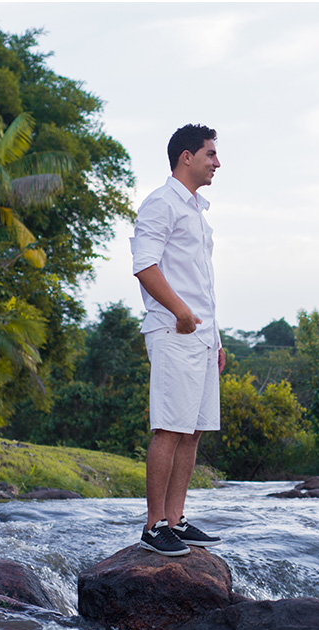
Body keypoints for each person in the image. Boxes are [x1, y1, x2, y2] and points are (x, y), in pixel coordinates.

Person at [130, 124, 226, 556]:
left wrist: (217, 338)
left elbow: (201, 282)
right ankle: (153, 527)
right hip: (173, 331)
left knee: (192, 432)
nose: (217, 163)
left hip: (203, 338)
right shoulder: (160, 204)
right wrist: (181, 313)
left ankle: (176, 520)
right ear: (186, 157)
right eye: (210, 154)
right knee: (170, 427)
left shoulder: (197, 213)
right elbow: (145, 265)